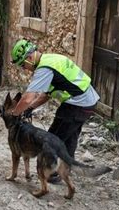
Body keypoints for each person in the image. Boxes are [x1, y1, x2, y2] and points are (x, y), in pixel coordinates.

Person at [9, 39, 100, 183]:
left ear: (30, 57)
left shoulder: (44, 68)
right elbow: (47, 94)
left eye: (23, 64)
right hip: (89, 101)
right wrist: (31, 108)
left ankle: (51, 173)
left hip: (78, 104)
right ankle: (64, 171)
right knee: (69, 137)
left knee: (50, 139)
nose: (24, 69)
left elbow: (27, 98)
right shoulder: (52, 59)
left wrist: (14, 114)